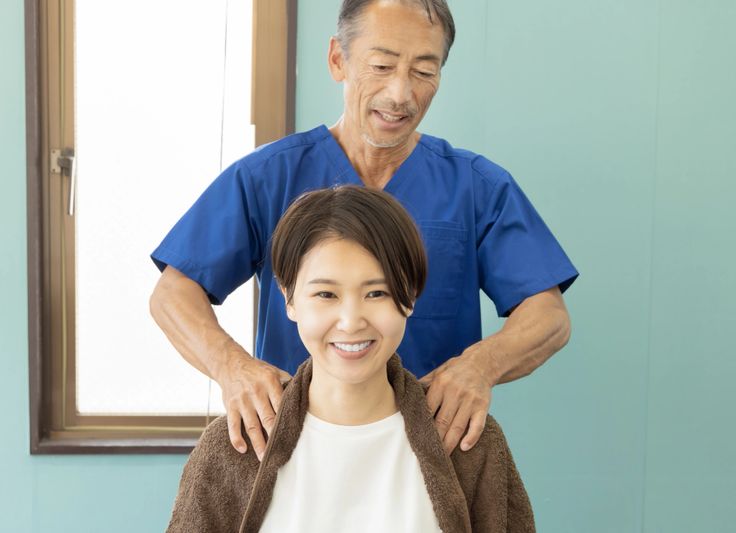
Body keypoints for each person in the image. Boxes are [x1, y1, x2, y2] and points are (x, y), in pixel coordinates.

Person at [150, 0, 578, 462]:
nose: (401, 94)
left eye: (423, 71)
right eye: (382, 66)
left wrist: (479, 367)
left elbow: (548, 316)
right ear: (338, 59)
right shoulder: (267, 177)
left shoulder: (477, 187)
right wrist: (232, 368)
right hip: (295, 448)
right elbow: (173, 293)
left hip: (428, 451)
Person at [166, 186, 535, 533]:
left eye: (377, 293)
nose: (351, 321)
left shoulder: (469, 440)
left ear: (410, 296)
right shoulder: (235, 444)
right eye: (326, 294)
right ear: (289, 299)